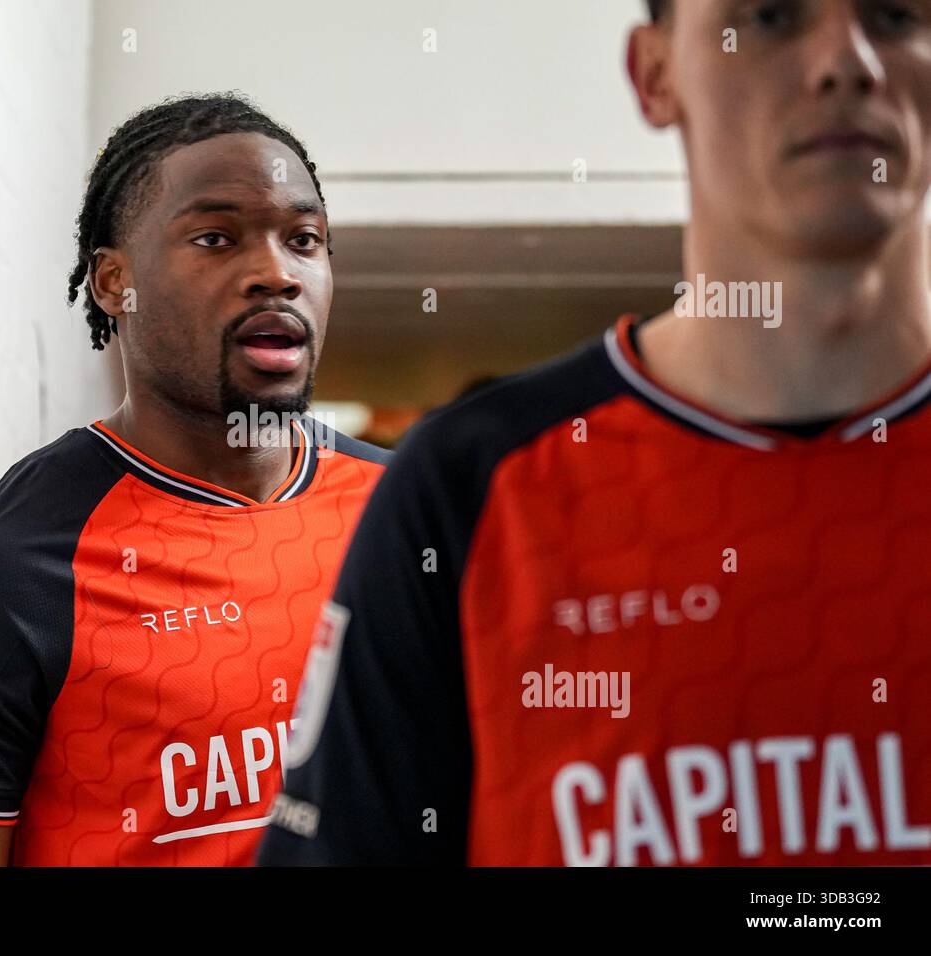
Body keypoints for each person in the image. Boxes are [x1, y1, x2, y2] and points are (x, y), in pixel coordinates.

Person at [259, 0, 931, 865]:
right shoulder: (468, 487)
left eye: (896, 15)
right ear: (656, 75)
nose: (849, 62)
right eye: (769, 17)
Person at [0, 93, 390, 865]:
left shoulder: (411, 517)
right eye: (217, 238)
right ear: (114, 282)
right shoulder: (1, 574)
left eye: (304, 240)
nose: (274, 273)